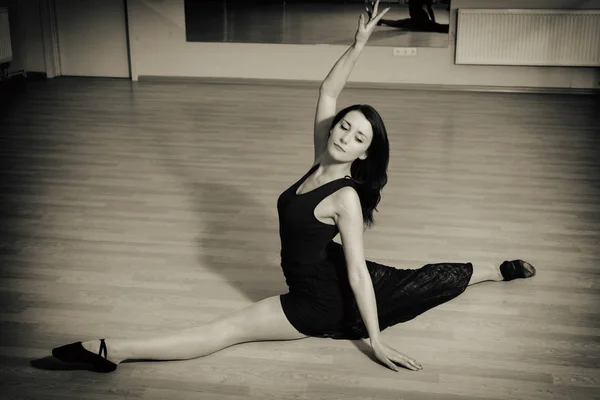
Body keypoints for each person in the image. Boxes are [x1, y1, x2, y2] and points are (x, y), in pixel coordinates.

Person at [51, 0, 535, 374]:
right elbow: (327, 91)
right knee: (414, 279)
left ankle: (113, 350)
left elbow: (359, 276)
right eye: (344, 126)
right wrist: (360, 43)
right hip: (322, 279)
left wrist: (376, 342)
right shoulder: (320, 158)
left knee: (230, 329)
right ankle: (493, 270)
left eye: (358, 137)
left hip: (317, 302)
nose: (345, 136)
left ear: (365, 152)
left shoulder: (345, 195)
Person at [372, 0, 450, 34]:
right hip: (419, 19)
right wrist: (433, 21)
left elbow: (427, 9)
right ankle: (380, 20)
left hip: (418, 19)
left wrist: (433, 21)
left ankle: (380, 20)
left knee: (398, 23)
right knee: (399, 23)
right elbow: (429, 9)